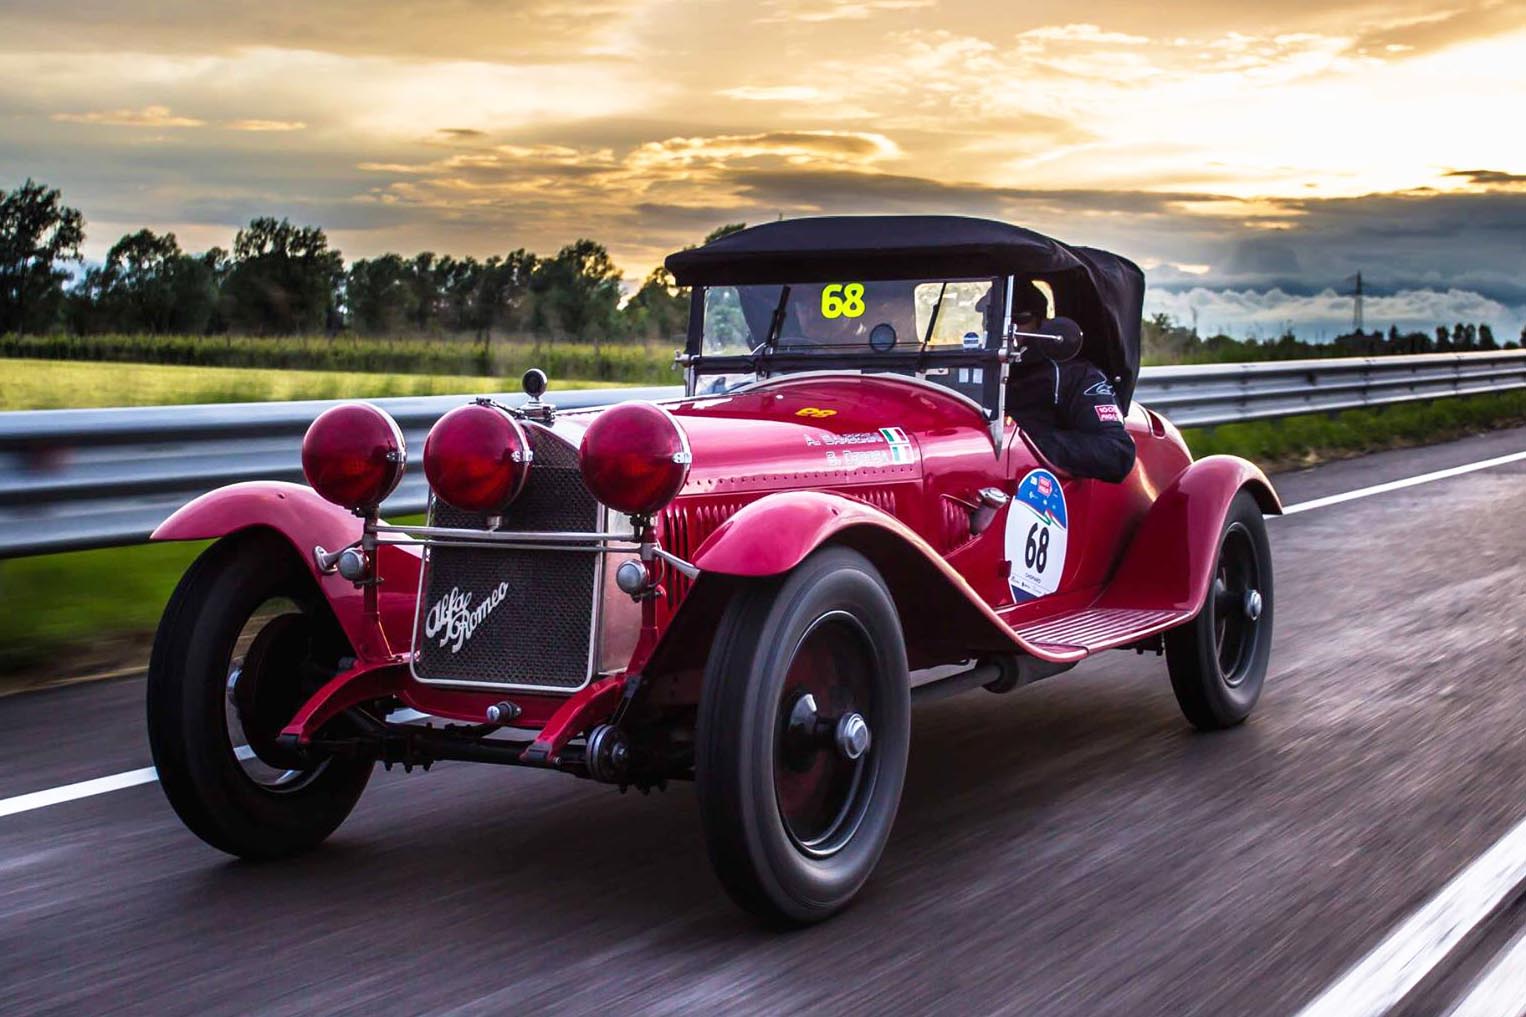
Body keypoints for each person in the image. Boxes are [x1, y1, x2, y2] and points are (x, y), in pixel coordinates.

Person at [1006, 282, 1136, 483]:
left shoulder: (1074, 374)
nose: (1007, 330)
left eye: (1019, 320)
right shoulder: (974, 370)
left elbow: (1117, 453)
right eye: (991, 319)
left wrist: (1026, 446)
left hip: (1041, 491)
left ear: (1042, 324)